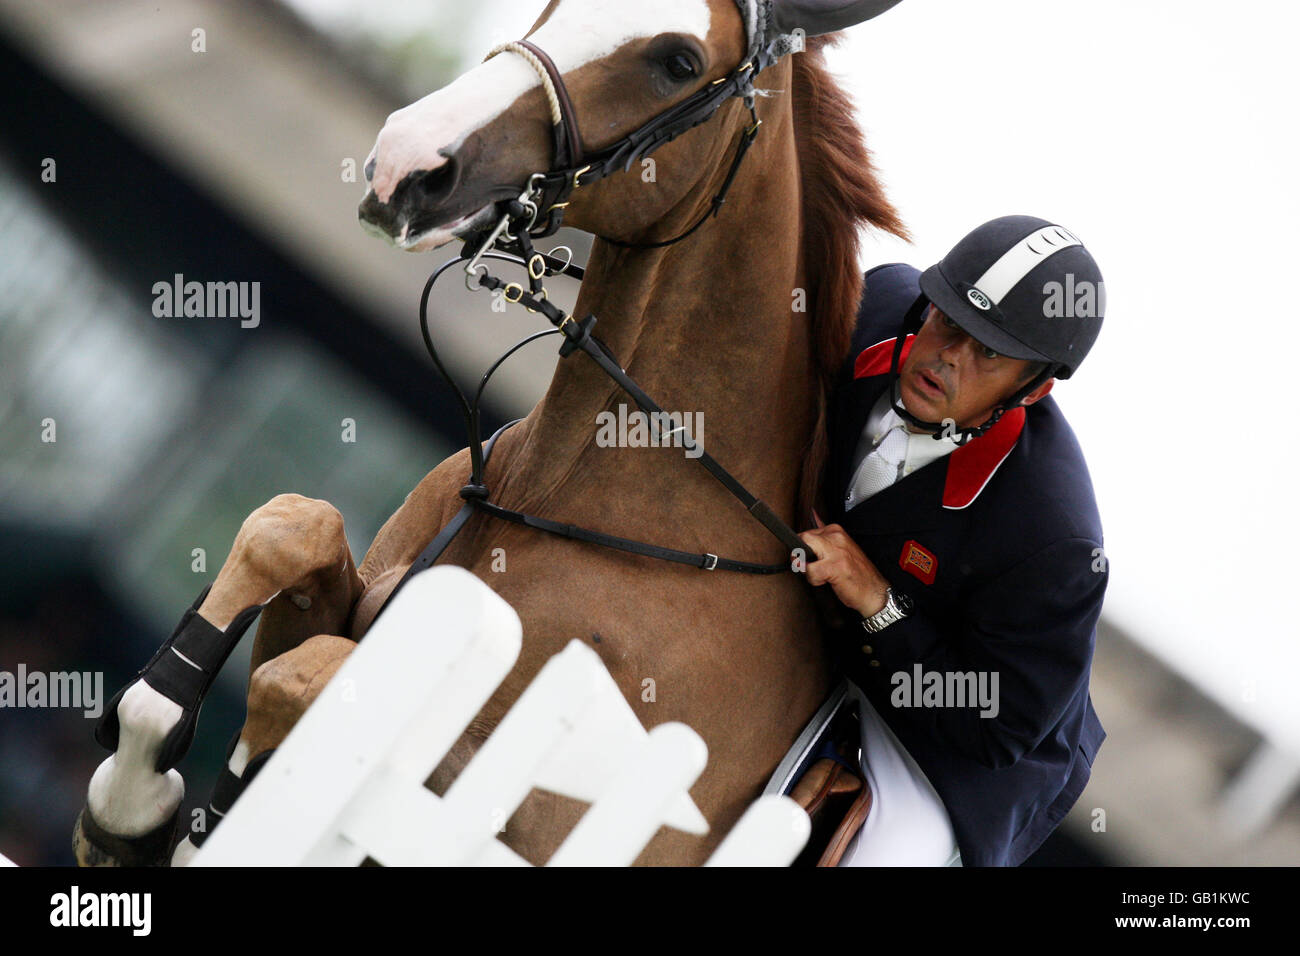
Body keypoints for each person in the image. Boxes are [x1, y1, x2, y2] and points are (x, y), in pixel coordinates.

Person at [797, 215, 1108, 867]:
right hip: (818, 629)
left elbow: (989, 723)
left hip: (948, 747)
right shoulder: (875, 306)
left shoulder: (1053, 537)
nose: (945, 357)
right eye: (946, 323)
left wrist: (878, 602)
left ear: (1036, 387)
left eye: (987, 352)